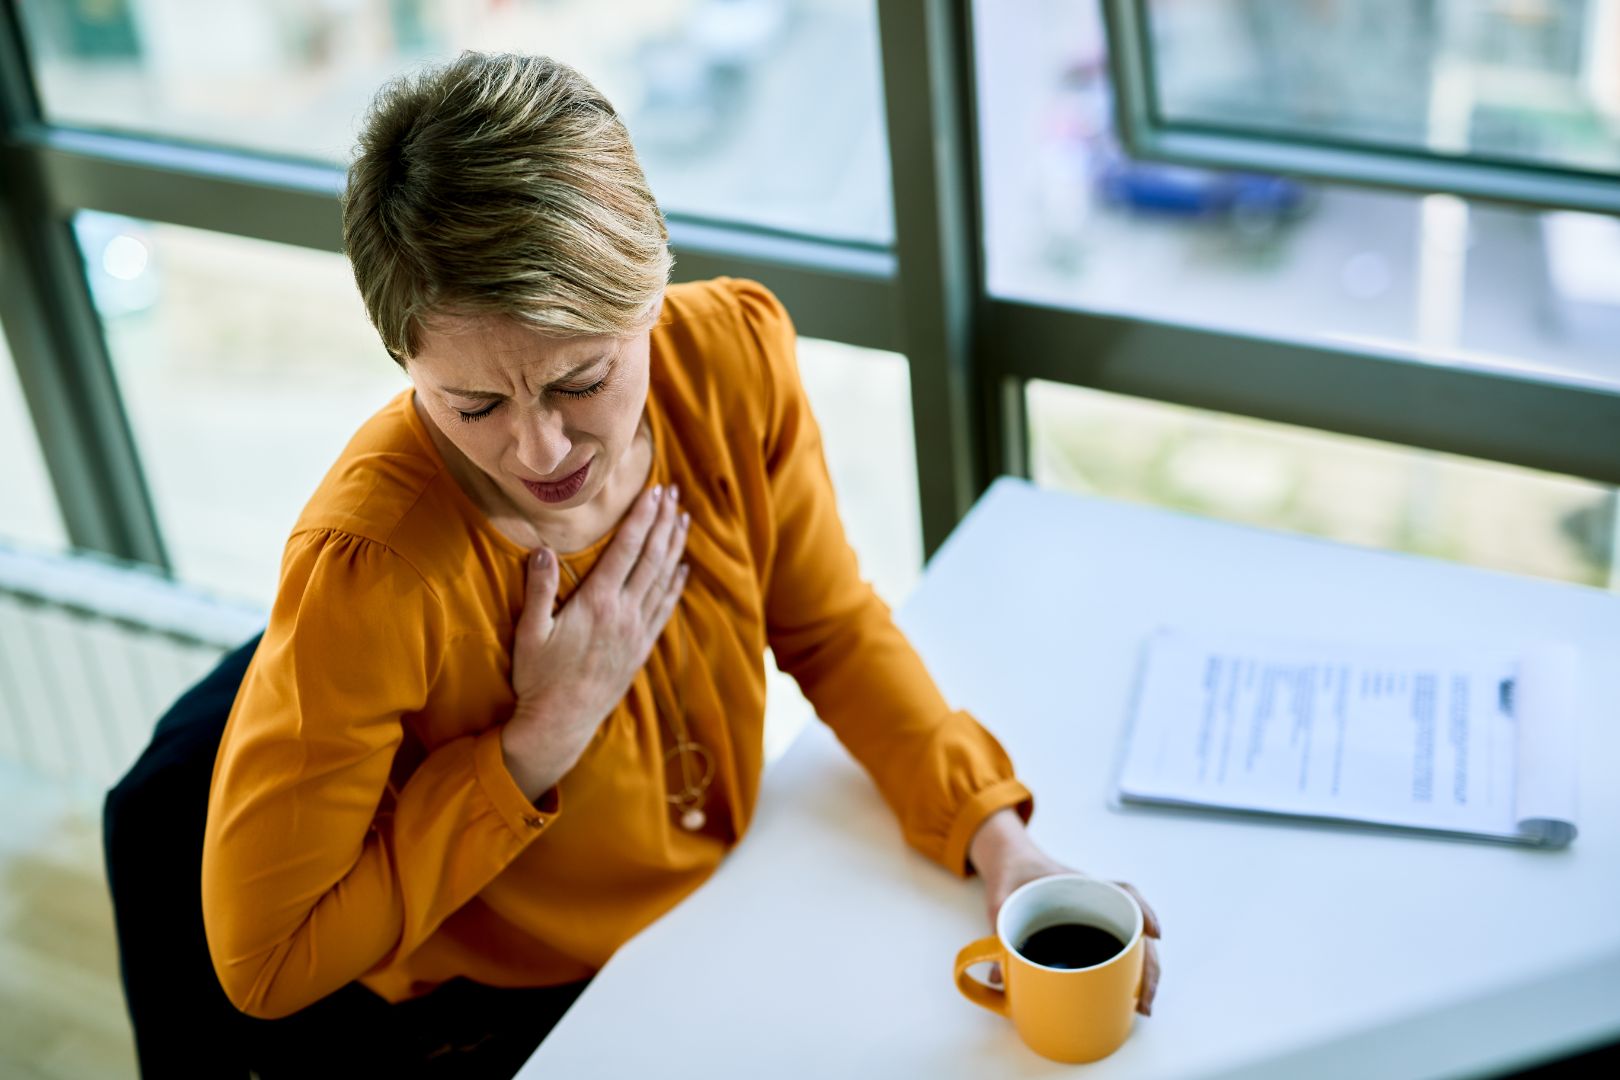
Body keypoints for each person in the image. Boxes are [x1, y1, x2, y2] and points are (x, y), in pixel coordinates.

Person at [117, 51, 1160, 1077]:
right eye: (472, 404)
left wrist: (994, 838)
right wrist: (535, 743)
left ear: (654, 282)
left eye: (582, 378)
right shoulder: (373, 569)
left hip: (722, 910)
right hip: (520, 1010)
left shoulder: (735, 362)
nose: (540, 452)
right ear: (406, 363)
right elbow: (266, 963)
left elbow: (829, 628)